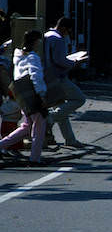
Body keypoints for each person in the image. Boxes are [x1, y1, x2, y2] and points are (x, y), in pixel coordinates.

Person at [0, 29, 48, 164]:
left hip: (21, 94)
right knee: (39, 126)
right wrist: (42, 94)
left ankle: (1, 145)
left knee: (26, 126)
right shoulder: (33, 57)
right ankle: (35, 158)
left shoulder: (18, 55)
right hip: (33, 95)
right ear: (36, 41)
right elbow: (36, 77)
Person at [42, 17, 87, 149]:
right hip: (58, 77)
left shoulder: (47, 35)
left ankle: (70, 139)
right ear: (62, 27)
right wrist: (75, 62)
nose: (67, 34)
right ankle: (50, 119)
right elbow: (59, 60)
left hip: (47, 76)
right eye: (68, 31)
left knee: (61, 107)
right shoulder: (57, 39)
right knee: (79, 99)